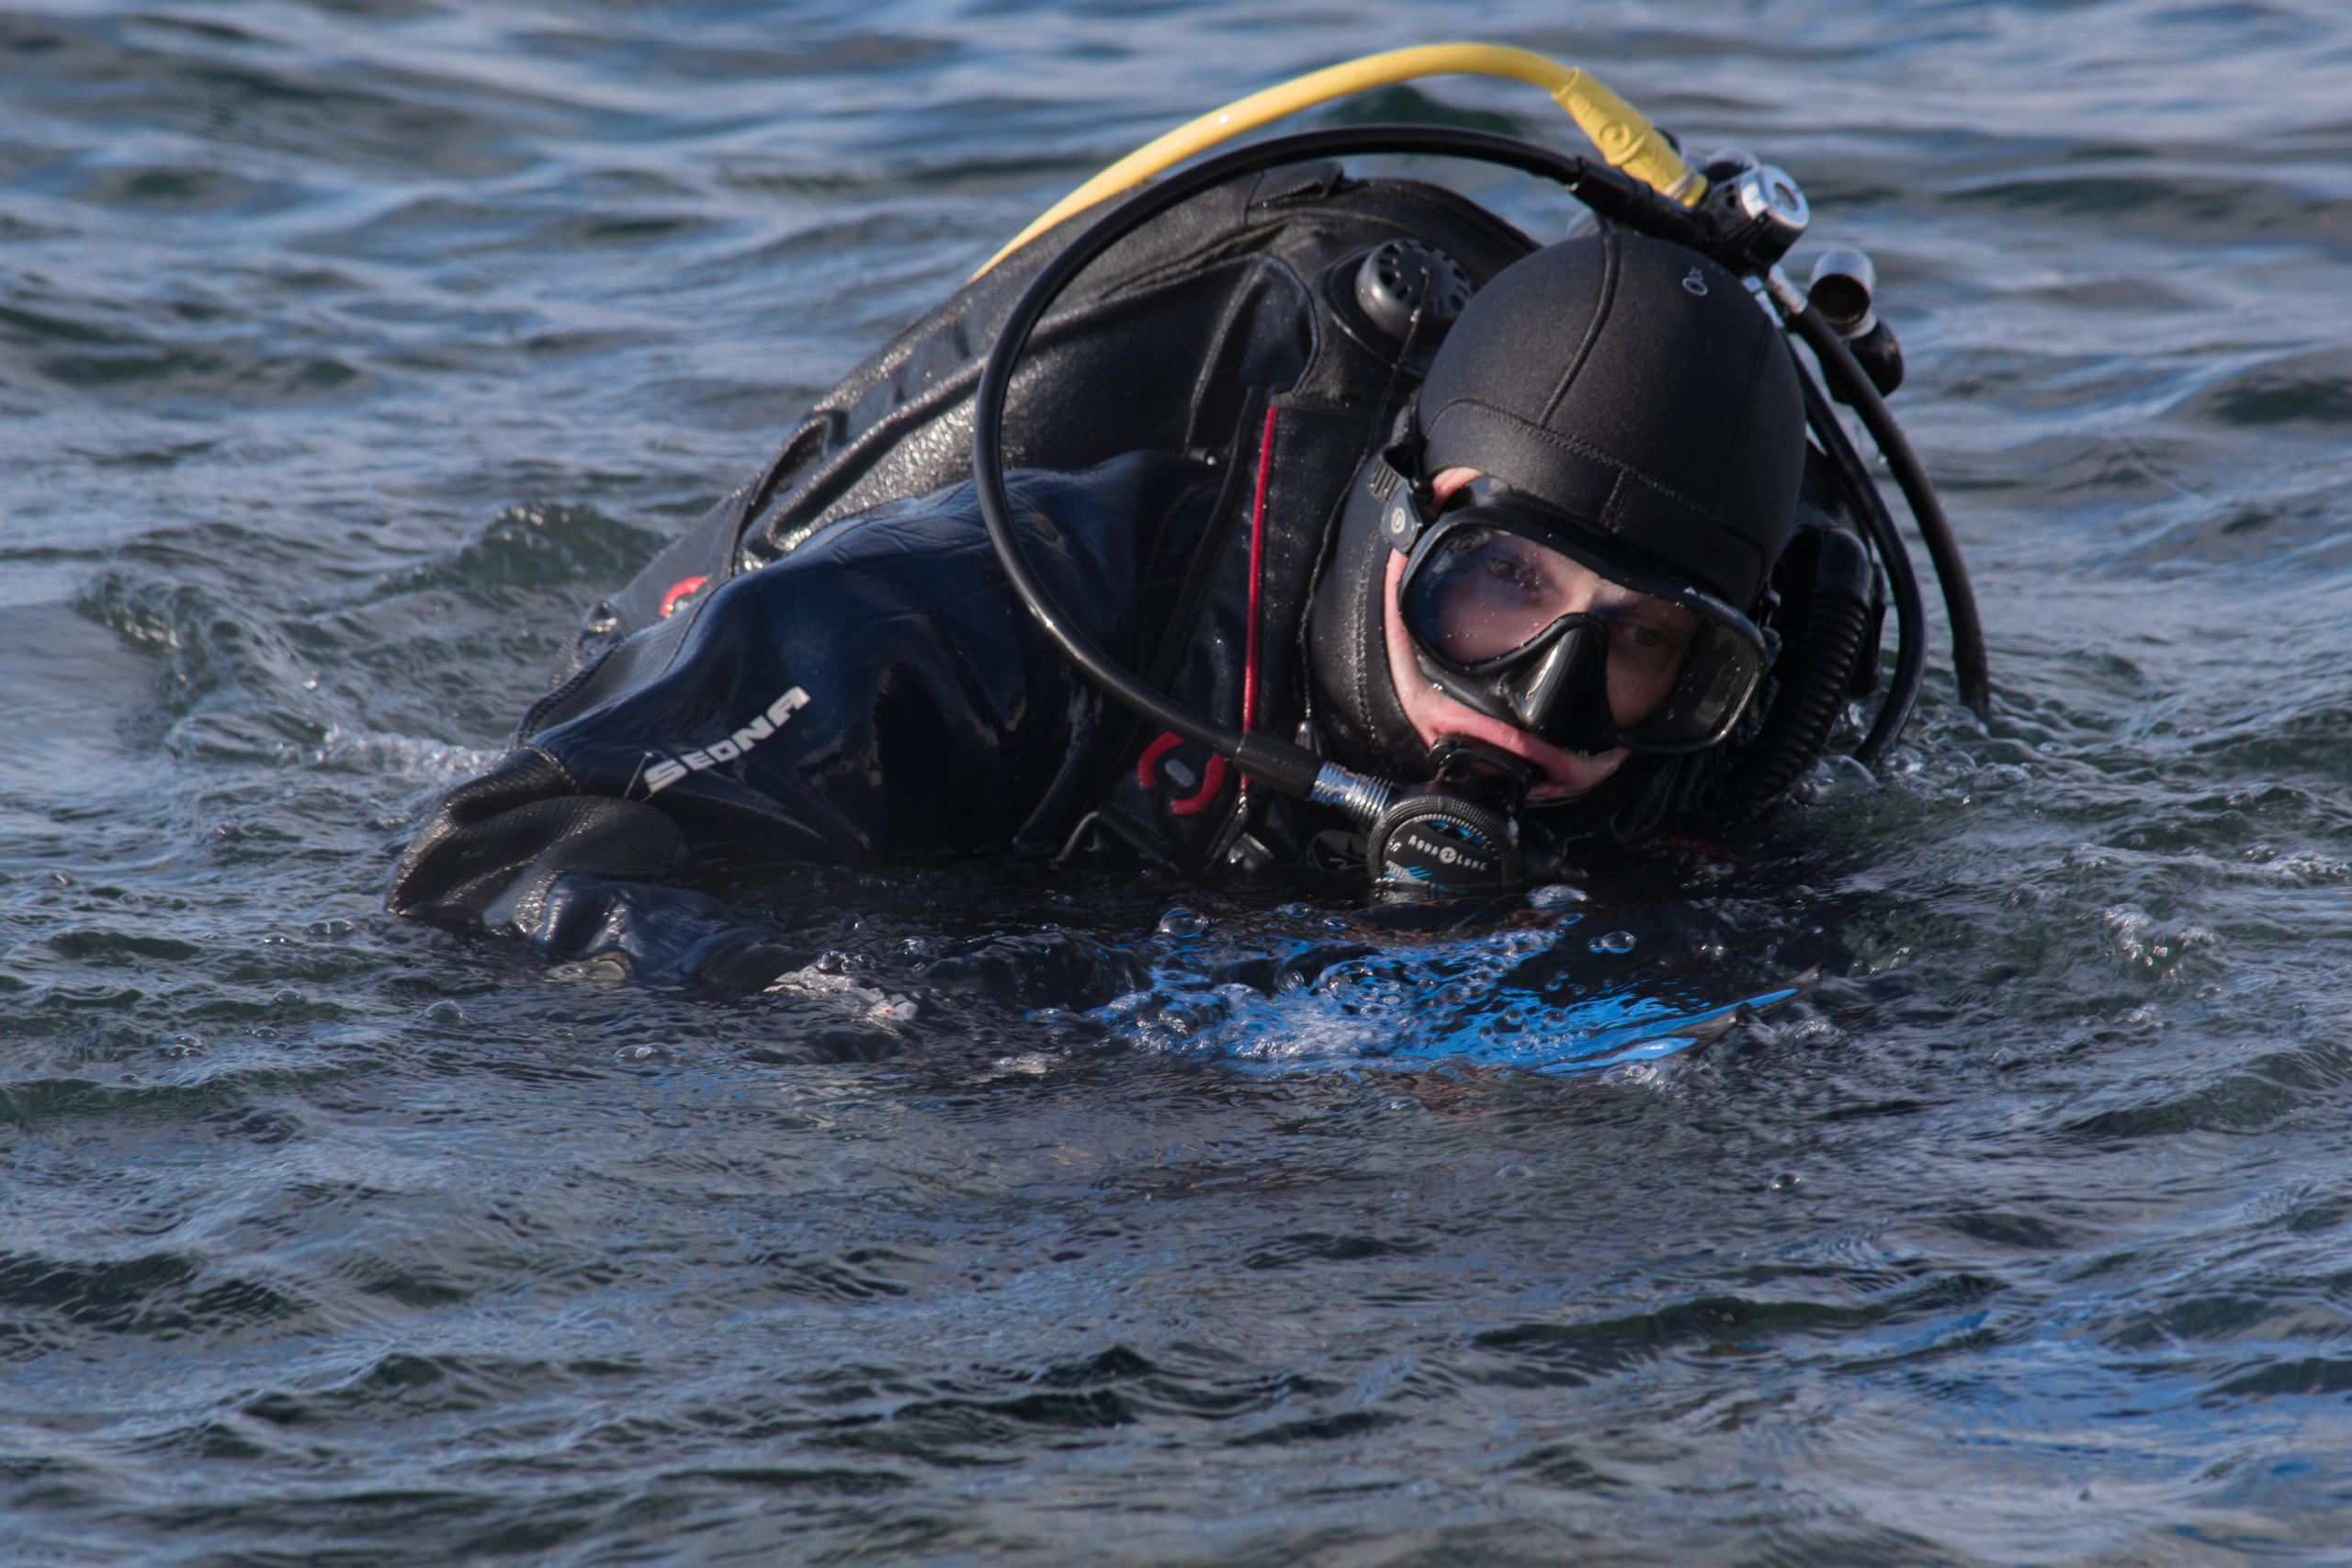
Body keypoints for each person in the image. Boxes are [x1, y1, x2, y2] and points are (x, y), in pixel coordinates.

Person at [387, 160, 1875, 989]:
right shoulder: (991, 615)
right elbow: (495, 856)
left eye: (1646, 646)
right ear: (1394, 515)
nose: (1550, 703)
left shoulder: (1688, 780)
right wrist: (949, 1049)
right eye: (1501, 584)